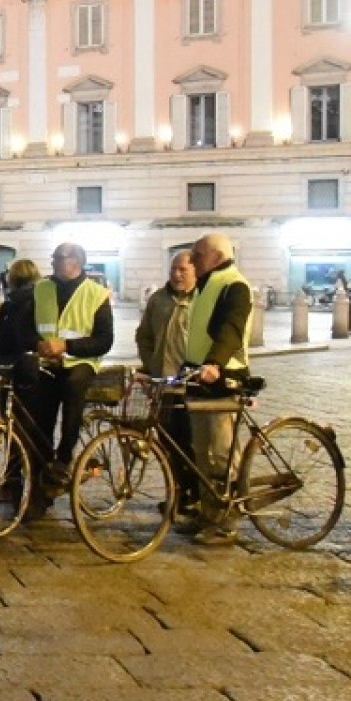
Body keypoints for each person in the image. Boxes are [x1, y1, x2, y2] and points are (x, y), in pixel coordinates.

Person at [10, 243, 114, 501]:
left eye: (58, 257)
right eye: (54, 257)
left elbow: (104, 340)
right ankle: (40, 491)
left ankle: (65, 455)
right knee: (39, 424)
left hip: (80, 362)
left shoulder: (96, 294)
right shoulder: (40, 290)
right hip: (46, 364)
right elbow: (21, 331)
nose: (53, 261)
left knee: (74, 389)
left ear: (76, 262)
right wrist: (38, 344)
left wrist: (67, 346)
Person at [182, 233, 253, 544]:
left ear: (213, 255)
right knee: (202, 452)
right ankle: (208, 512)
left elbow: (231, 328)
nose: (193, 261)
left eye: (197, 255)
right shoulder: (207, 284)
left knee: (222, 454)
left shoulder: (234, 285)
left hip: (223, 376)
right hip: (200, 376)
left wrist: (214, 363)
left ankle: (227, 521)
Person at [137, 251, 199, 519]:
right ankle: (176, 493)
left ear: (195, 271)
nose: (176, 275)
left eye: (183, 270)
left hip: (193, 386)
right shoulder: (158, 300)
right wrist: (151, 367)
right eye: (174, 269)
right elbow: (144, 336)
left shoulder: (203, 300)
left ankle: (196, 494)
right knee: (167, 443)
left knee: (192, 443)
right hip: (164, 383)